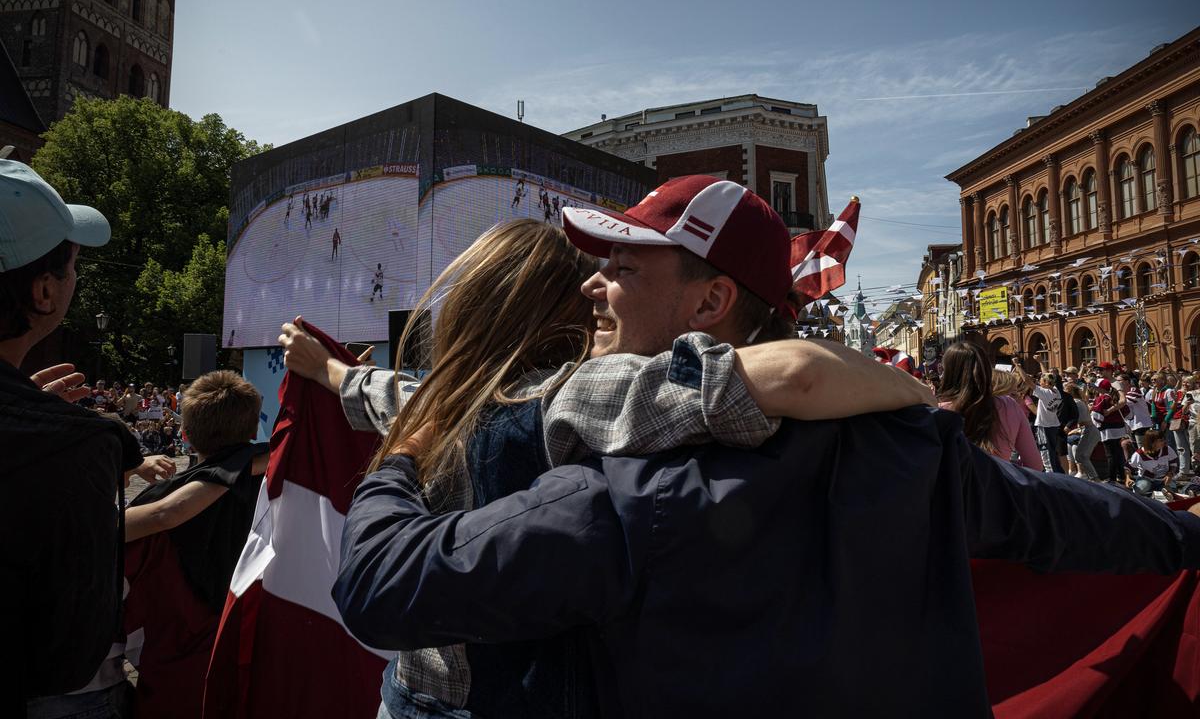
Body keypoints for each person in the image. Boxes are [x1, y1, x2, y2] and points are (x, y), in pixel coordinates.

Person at [333, 175, 1200, 717]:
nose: (594, 286)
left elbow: (385, 584)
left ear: (711, 307)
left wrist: (404, 451)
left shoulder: (624, 492)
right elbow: (1059, 516)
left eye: (625, 267)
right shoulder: (903, 447)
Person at [282, 214, 930, 718]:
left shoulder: (447, 401)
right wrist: (923, 399)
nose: (600, 288)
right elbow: (797, 374)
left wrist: (333, 376)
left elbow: (378, 397)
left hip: (417, 697)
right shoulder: (564, 392)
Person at [0, 160, 145, 717]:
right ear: (43, 291)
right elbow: (72, 654)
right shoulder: (72, 449)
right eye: (74, 265)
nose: (76, 280)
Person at [123, 371, 269, 718]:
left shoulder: (153, 504)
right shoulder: (278, 488)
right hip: (254, 661)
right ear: (252, 432)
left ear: (185, 435)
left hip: (175, 673)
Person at [936, 342, 1039, 469]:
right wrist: (1006, 467)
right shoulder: (1008, 405)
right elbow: (1035, 465)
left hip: (954, 487)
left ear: (948, 373)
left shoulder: (937, 412)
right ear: (986, 369)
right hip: (996, 484)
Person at [1091, 377, 1130, 484]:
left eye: (1097, 387)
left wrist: (1097, 426)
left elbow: (1096, 416)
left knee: (1110, 454)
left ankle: (1111, 478)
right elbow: (1127, 411)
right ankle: (1121, 475)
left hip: (1108, 430)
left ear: (1101, 388)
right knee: (1118, 453)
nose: (1095, 389)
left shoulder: (1102, 398)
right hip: (1119, 429)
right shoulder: (1115, 397)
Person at [1031, 372, 1066, 473]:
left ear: (1046, 383)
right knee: (1053, 451)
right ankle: (1059, 473)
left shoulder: (1044, 393)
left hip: (1043, 425)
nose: (1039, 382)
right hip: (1053, 425)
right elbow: (1049, 376)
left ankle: (1050, 474)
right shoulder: (1056, 392)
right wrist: (1041, 362)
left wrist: (1017, 365)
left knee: (1045, 450)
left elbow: (1027, 381)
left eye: (1041, 380)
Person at [1128, 428, 1178, 499]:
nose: (1164, 442)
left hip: (1163, 480)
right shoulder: (1139, 454)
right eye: (1161, 440)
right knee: (1141, 489)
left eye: (1163, 439)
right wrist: (1128, 478)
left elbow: (1173, 463)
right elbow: (1128, 467)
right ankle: (1151, 494)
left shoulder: (1167, 449)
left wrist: (1170, 474)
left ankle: (1156, 493)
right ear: (1152, 442)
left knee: (1172, 490)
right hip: (1146, 479)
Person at [1064, 382, 1100, 480]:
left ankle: (1095, 479)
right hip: (1086, 430)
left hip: (1089, 430)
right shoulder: (1077, 401)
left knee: (1082, 456)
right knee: (1080, 456)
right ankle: (1092, 478)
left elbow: (1076, 419)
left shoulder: (1076, 402)